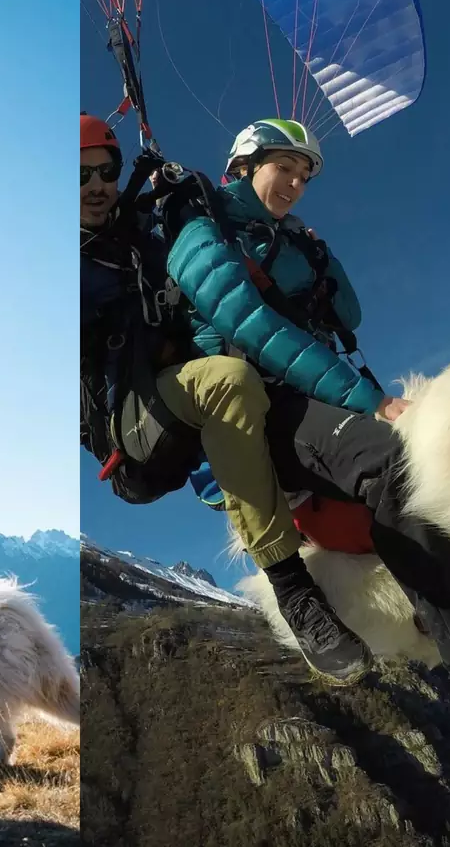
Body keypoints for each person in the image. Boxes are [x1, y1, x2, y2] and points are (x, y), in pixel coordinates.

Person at [159, 118, 450, 686]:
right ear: (242, 167)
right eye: (282, 169)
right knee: (396, 465)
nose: (293, 185)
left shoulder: (290, 241)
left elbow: (349, 316)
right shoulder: (201, 233)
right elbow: (250, 326)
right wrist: (368, 400)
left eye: (302, 176)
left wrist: (317, 259)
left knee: (428, 456)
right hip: (252, 415)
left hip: (307, 405)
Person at [82, 112, 374, 682]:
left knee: (359, 485)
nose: (96, 184)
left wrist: (308, 250)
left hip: (184, 397)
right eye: (79, 175)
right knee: (230, 379)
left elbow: (348, 313)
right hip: (130, 423)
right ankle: (292, 590)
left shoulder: (145, 224)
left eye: (107, 170)